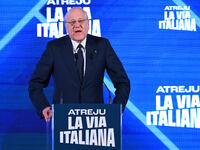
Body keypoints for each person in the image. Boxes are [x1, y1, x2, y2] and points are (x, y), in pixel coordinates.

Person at [28, 7, 130, 122]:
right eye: (72, 22)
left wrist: (117, 108)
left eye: (81, 21)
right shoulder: (54, 48)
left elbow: (123, 82)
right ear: (66, 27)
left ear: (88, 24)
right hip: (64, 121)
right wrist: (43, 106)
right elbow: (35, 83)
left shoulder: (102, 46)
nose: (77, 25)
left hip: (96, 122)